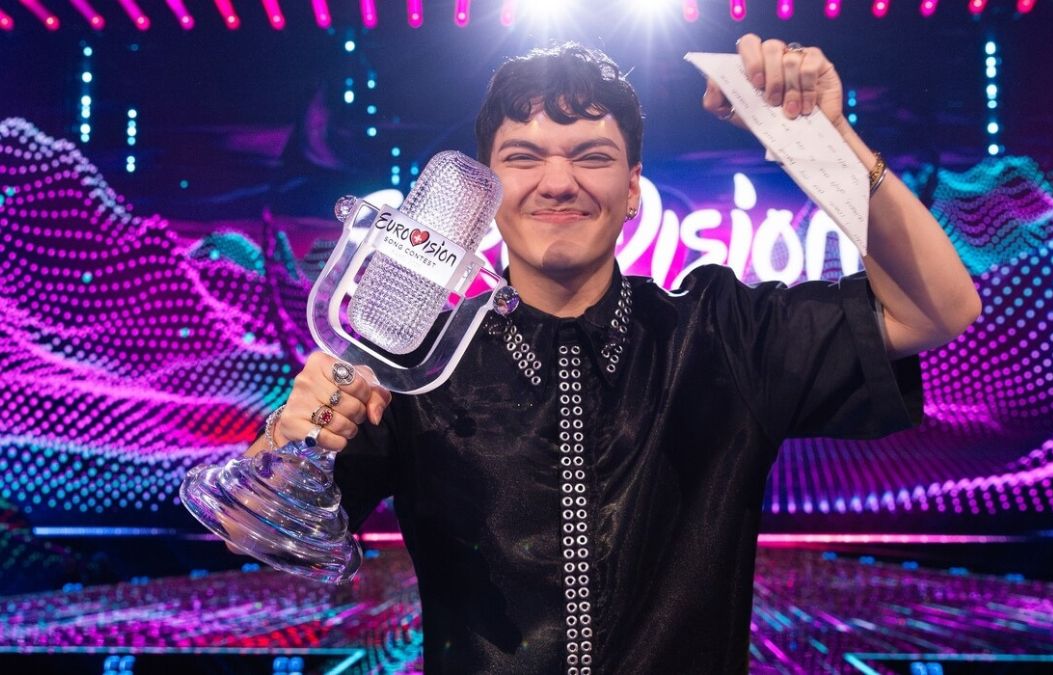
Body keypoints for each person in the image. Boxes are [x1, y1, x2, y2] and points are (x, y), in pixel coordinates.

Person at [239, 36, 980, 674]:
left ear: (632, 192)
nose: (558, 182)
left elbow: (937, 309)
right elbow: (262, 535)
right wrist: (289, 435)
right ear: (489, 192)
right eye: (524, 157)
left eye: (591, 157)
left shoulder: (721, 331)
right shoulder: (413, 355)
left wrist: (822, 140)